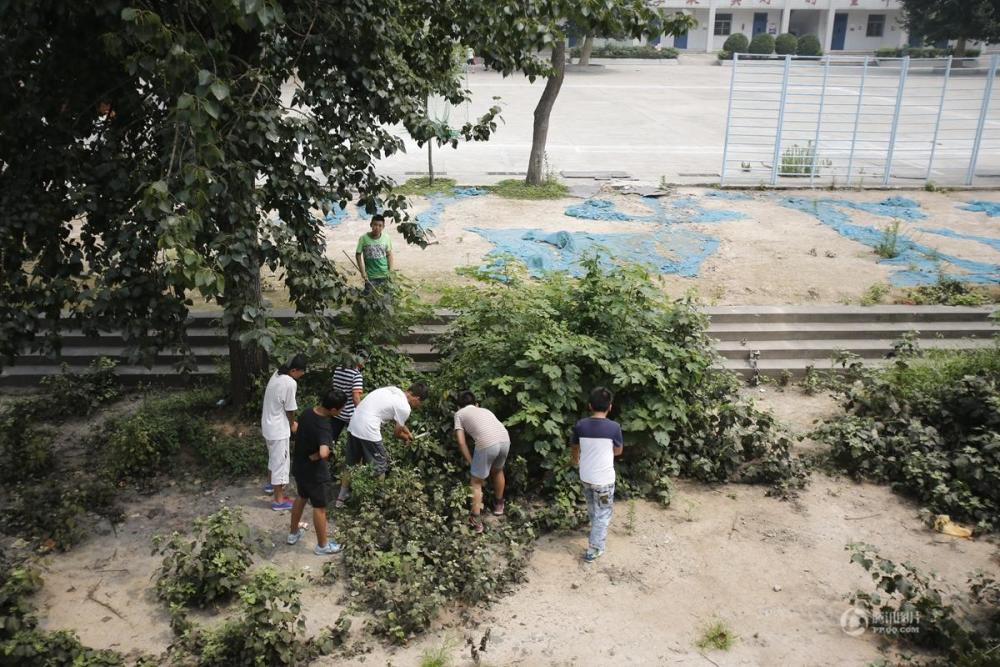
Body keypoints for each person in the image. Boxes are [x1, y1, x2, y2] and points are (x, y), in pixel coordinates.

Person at [336, 382, 429, 504]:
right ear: (417, 398)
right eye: (420, 403)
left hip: (354, 424)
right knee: (379, 467)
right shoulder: (405, 407)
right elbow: (396, 434)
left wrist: (408, 433)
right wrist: (407, 438)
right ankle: (373, 503)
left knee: (351, 464)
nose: (418, 406)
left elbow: (398, 421)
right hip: (368, 429)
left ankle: (340, 500)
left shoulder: (392, 390)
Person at [286, 389, 348, 555]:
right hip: (315, 473)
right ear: (334, 410)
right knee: (319, 507)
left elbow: (297, 430)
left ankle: (293, 533)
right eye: (341, 409)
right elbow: (323, 453)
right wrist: (317, 455)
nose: (342, 411)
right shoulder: (324, 425)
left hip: (299, 466)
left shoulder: (307, 412)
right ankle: (322, 546)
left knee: (301, 497)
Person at [570, 386, 624, 563]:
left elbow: (574, 448)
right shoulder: (614, 427)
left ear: (589, 406)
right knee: (603, 513)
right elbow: (618, 451)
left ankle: (595, 531)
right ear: (610, 407)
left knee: (593, 507)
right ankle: (594, 548)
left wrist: (575, 460)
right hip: (604, 482)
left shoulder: (580, 425)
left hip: (586, 477)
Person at [453, 390, 510, 534]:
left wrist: (470, 461)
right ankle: (499, 505)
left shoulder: (459, 414)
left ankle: (476, 520)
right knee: (497, 471)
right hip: (505, 439)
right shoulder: (485, 410)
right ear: (476, 404)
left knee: (476, 481)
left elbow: (461, 441)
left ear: (459, 406)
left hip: (487, 443)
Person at [261, 354, 307, 511]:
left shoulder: (277, 374)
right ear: (294, 370)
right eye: (301, 372)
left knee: (273, 457)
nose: (302, 374)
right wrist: (292, 423)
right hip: (279, 429)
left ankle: (269, 485)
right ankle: (279, 501)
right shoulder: (289, 382)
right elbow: (290, 409)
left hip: (268, 424)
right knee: (280, 463)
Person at [330, 351, 368, 508]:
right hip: (351, 414)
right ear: (361, 361)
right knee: (354, 446)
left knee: (330, 441)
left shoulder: (339, 369)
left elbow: (334, 388)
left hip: (337, 412)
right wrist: (363, 413)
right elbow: (356, 397)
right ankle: (350, 472)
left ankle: (327, 470)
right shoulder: (356, 375)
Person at [355, 214, 393, 290]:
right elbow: (358, 255)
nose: (377, 228)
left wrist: (390, 271)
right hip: (370, 276)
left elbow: (389, 255)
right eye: (375, 225)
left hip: (384, 274)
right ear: (371, 225)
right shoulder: (363, 238)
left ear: (383, 227)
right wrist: (362, 272)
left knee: (387, 297)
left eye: (380, 225)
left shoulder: (386, 238)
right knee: (370, 298)